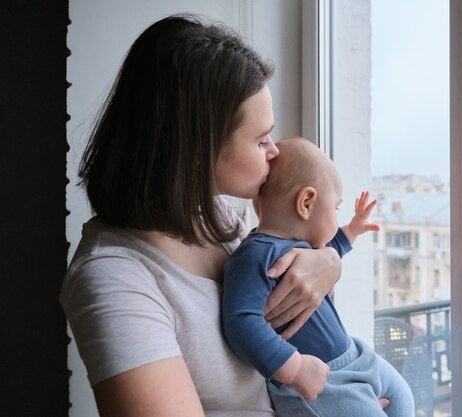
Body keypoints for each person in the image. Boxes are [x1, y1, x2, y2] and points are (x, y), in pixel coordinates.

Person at [60, 15, 345, 417]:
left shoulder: (218, 216)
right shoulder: (114, 279)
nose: (275, 151)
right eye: (261, 139)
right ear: (196, 149)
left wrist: (328, 262)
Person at [222, 137, 415, 417]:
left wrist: (352, 230)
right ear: (307, 202)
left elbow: (332, 247)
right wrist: (295, 368)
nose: (337, 217)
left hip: (354, 354)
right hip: (320, 380)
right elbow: (241, 321)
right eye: (336, 208)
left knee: (402, 397)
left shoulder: (303, 247)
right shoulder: (254, 256)